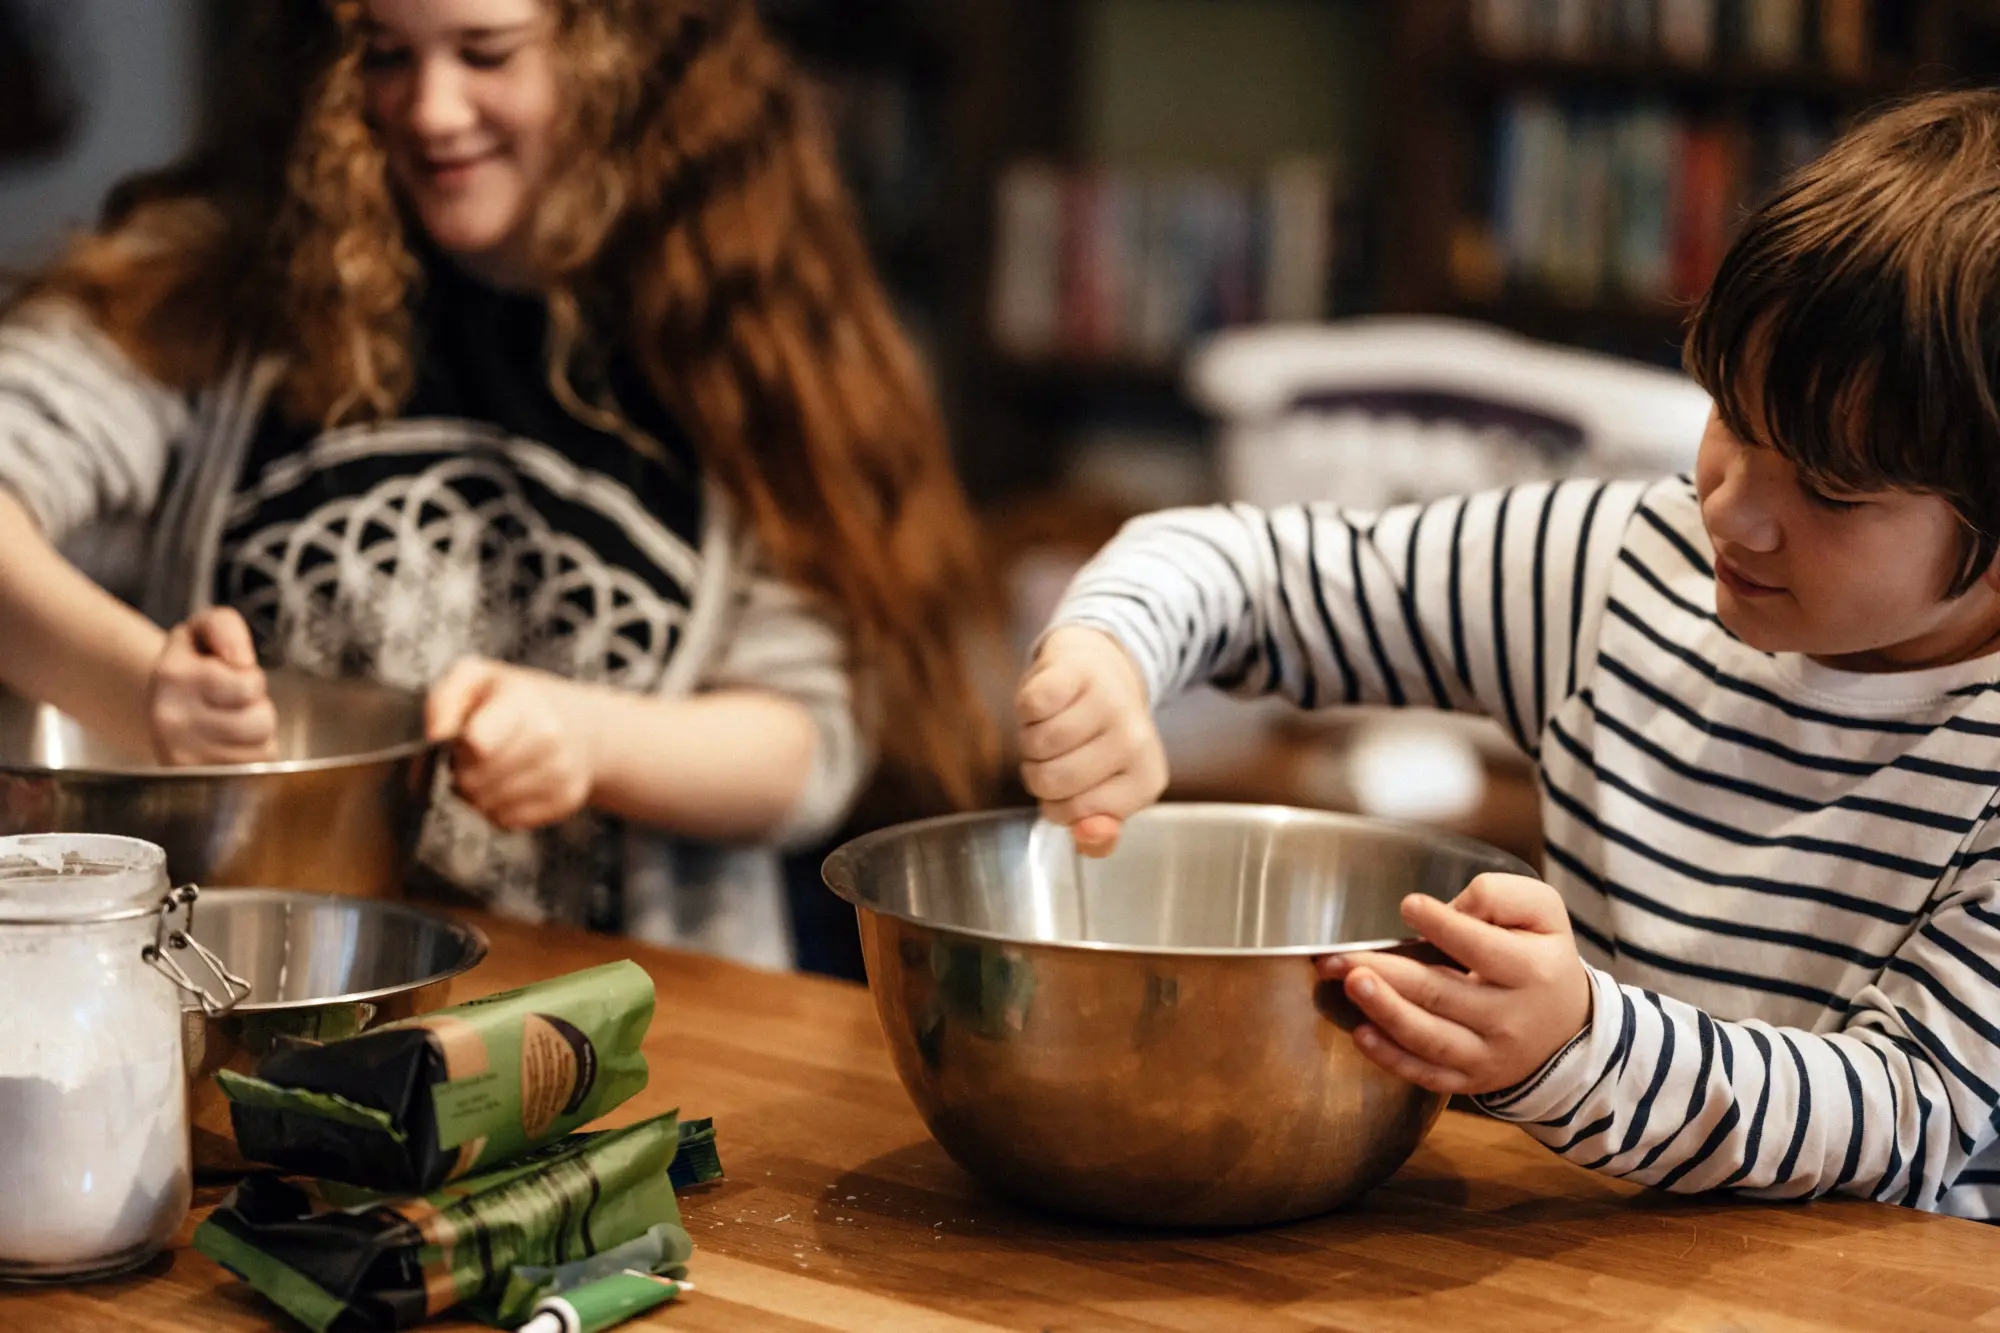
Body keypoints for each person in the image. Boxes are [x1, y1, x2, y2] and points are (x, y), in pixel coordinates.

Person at [1017, 90, 2000, 1217]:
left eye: (1828, 490)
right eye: (1732, 415)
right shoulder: (1615, 568)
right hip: (1606, 1265)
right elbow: (1249, 570)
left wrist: (1578, 1041)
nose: (1732, 513)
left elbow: (1907, 1116)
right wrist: (1108, 651)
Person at [0, 0, 994, 958]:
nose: (428, 110)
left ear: (616, 53)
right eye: (384, 53)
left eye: (486, 52)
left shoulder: (739, 331)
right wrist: (138, 688)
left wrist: (586, 738)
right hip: (237, 982)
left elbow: (807, 748)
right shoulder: (215, 285)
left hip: (619, 1027)